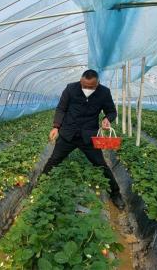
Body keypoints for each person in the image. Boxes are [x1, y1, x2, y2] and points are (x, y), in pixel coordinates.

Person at [43, 69, 125, 210]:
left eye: (90, 87)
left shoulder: (104, 92)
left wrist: (107, 119)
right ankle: (41, 185)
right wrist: (56, 126)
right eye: (84, 85)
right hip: (68, 134)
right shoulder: (70, 88)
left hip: (88, 135)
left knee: (100, 164)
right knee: (54, 160)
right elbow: (61, 108)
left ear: (97, 83)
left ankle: (116, 194)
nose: (86, 89)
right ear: (81, 81)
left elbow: (111, 111)